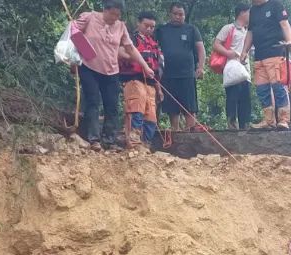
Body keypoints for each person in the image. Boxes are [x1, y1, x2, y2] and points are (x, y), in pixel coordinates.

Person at [73, 0, 154, 150]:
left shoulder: (120, 26)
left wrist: (145, 66)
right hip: (89, 67)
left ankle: (109, 141)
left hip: (111, 70)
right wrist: (84, 52)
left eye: (118, 15)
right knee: (93, 101)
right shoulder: (89, 17)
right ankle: (94, 139)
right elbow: (72, 31)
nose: (114, 18)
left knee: (112, 106)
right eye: (112, 14)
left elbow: (130, 49)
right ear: (105, 9)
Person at [241, 0, 291, 129]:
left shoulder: (275, 5)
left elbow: (284, 24)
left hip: (275, 52)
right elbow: (250, 32)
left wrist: (289, 40)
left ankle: (284, 120)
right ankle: (269, 120)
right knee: (262, 89)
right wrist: (244, 50)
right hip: (259, 55)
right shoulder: (253, 10)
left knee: (278, 87)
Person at [156, 3, 205, 132]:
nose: (178, 17)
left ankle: (191, 132)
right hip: (168, 74)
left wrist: (200, 67)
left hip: (187, 74)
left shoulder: (191, 29)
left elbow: (200, 49)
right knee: (172, 107)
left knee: (189, 106)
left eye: (181, 14)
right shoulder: (162, 30)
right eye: (175, 14)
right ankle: (175, 132)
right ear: (170, 14)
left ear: (184, 15)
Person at [118, 11, 163, 148]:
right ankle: (133, 141)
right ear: (139, 23)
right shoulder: (131, 38)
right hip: (133, 79)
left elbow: (155, 69)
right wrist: (136, 58)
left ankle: (145, 143)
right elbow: (119, 52)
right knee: (136, 108)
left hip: (150, 83)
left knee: (151, 115)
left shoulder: (154, 43)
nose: (149, 29)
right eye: (146, 25)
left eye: (152, 26)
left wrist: (159, 88)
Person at [215, 5, 251, 130]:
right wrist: (228, 53)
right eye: (249, 12)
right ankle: (232, 124)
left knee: (245, 99)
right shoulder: (229, 28)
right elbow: (216, 44)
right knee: (232, 97)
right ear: (242, 13)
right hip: (231, 68)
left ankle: (245, 125)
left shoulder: (248, 31)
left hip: (245, 70)